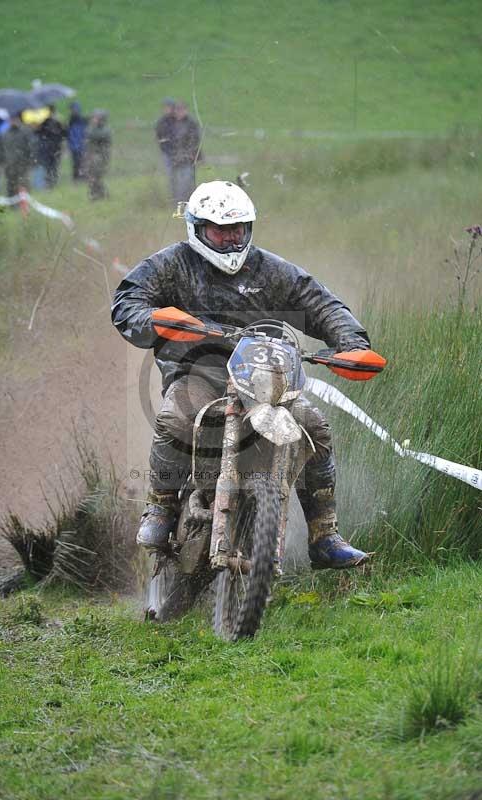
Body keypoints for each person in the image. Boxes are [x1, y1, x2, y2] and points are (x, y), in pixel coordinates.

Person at [111, 180, 373, 570]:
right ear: (197, 228)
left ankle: (325, 534)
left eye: (238, 228)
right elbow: (127, 303)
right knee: (175, 417)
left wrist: (351, 342)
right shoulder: (171, 265)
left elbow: (319, 302)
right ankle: (161, 508)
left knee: (314, 426)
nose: (231, 237)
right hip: (197, 373)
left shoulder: (270, 270)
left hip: (265, 379)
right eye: (221, 229)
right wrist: (156, 320)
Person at [169, 101, 201, 205]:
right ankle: (177, 202)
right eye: (177, 110)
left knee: (187, 181)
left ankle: (188, 201)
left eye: (181, 110)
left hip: (188, 158)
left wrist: (189, 153)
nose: (179, 113)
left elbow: (195, 140)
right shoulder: (171, 124)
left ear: (186, 111)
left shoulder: (191, 124)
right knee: (175, 181)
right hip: (175, 158)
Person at [0, 114, 35, 198]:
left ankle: (25, 204)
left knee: (23, 185)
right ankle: (12, 205)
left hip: (23, 164)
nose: (13, 121)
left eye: (14, 119)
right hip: (9, 165)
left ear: (18, 119)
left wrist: (31, 161)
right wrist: (0, 162)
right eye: (11, 119)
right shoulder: (5, 134)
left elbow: (31, 147)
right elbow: (0, 149)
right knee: (10, 186)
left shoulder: (25, 131)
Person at [35, 105, 65, 189]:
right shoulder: (57, 122)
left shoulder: (46, 121)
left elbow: (38, 133)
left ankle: (50, 182)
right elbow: (64, 134)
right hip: (55, 148)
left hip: (49, 148)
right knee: (53, 166)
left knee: (50, 166)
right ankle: (52, 182)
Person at [84, 110, 111, 201]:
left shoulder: (105, 129)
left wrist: (93, 126)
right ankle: (97, 193)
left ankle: (97, 194)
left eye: (96, 118)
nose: (94, 119)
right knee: (91, 176)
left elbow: (96, 135)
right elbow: (87, 134)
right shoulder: (92, 128)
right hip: (91, 155)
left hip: (100, 156)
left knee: (96, 176)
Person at [155, 97, 176, 178]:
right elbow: (158, 135)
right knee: (170, 173)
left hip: (177, 151)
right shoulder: (161, 121)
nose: (166, 109)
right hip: (166, 151)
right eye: (165, 107)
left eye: (168, 107)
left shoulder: (177, 120)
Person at [67, 102, 87, 181]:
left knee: (80, 162)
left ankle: (80, 177)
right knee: (77, 162)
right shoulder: (71, 121)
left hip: (80, 145)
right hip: (75, 145)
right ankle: (78, 177)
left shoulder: (79, 120)